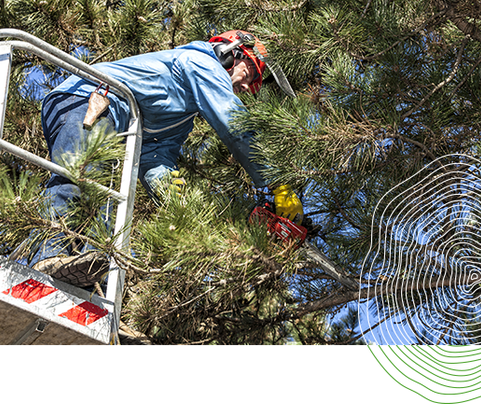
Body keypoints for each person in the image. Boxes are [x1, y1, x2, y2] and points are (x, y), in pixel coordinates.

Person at [28, 30, 304, 287]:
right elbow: (235, 125)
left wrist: (173, 196)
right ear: (230, 53)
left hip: (111, 117)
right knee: (80, 174)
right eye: (251, 73)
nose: (249, 87)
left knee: (105, 195)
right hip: (88, 99)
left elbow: (155, 155)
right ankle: (48, 255)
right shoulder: (200, 62)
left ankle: (80, 271)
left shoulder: (181, 115)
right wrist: (276, 182)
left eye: (255, 85)